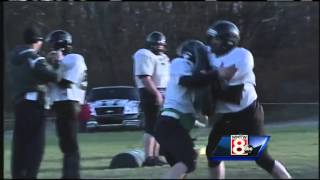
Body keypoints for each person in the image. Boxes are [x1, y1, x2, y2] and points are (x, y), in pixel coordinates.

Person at [205, 20, 292, 179]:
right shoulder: (210, 54)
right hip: (228, 116)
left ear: (227, 42)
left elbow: (233, 95)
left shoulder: (242, 56)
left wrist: (205, 83)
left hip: (247, 113)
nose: (211, 43)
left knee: (261, 157)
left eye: (215, 40)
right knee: (213, 154)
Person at [154, 40, 237, 179]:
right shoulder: (180, 63)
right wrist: (216, 75)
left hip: (176, 125)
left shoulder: (200, 74)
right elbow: (187, 80)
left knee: (187, 165)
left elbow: (206, 102)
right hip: (169, 123)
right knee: (188, 162)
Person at [9, 26, 62, 179]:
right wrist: (56, 62)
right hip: (35, 106)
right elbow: (53, 76)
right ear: (37, 41)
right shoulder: (35, 58)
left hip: (19, 104)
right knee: (35, 147)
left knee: (20, 146)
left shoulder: (14, 58)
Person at [46, 30, 88, 179]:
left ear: (60, 44)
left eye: (52, 44)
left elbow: (65, 83)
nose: (50, 47)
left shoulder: (75, 58)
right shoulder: (66, 59)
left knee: (70, 143)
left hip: (69, 103)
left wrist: (56, 63)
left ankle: (72, 175)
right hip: (61, 104)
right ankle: (67, 174)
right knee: (65, 143)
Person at [133, 31, 170, 166]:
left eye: (161, 45)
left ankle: (155, 156)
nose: (160, 47)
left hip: (162, 91)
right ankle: (149, 156)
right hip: (151, 92)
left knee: (158, 127)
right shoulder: (144, 54)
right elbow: (145, 77)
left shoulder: (164, 58)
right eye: (157, 45)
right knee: (151, 125)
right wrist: (156, 94)